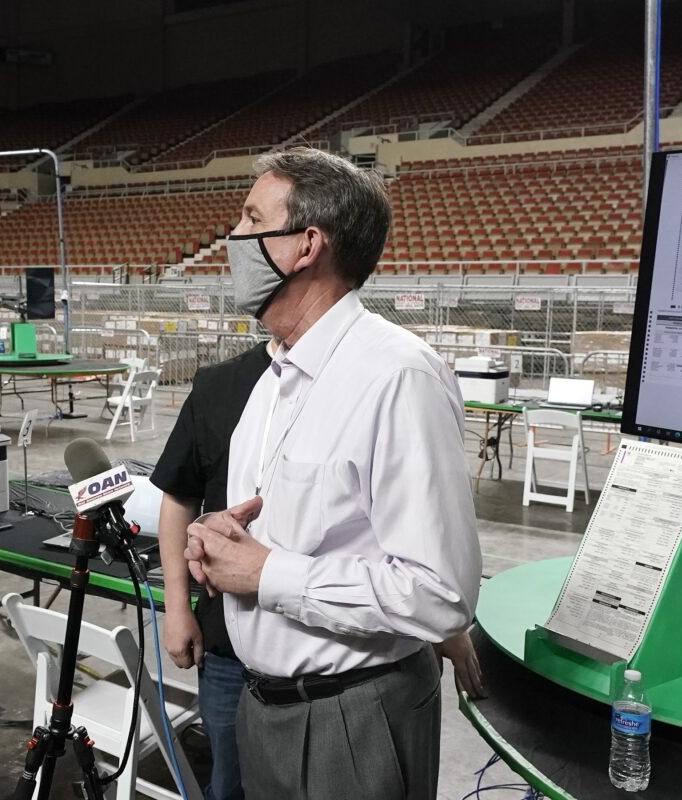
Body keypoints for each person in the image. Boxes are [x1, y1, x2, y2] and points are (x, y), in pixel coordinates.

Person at [183, 147, 482, 800]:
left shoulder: (396, 375)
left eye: (249, 218)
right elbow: (291, 530)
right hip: (267, 708)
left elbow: (441, 593)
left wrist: (264, 573)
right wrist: (221, 539)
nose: (230, 237)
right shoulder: (275, 379)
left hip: (353, 715)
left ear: (304, 244)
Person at [153, 341, 273, 800]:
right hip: (227, 641)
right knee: (229, 779)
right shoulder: (218, 385)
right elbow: (179, 496)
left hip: (320, 645)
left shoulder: (351, 380)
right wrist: (177, 607)